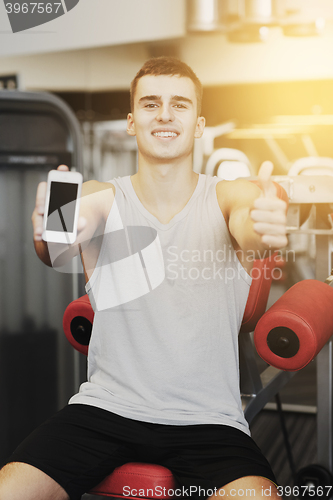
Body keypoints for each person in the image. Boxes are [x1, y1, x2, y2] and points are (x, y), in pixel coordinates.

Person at [0, 57, 287, 500]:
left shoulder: (230, 195)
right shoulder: (103, 196)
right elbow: (63, 237)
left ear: (198, 124)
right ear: (132, 122)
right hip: (106, 410)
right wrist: (57, 225)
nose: (165, 115)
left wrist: (262, 225)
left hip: (207, 420)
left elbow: (248, 220)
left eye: (180, 105)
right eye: (151, 104)